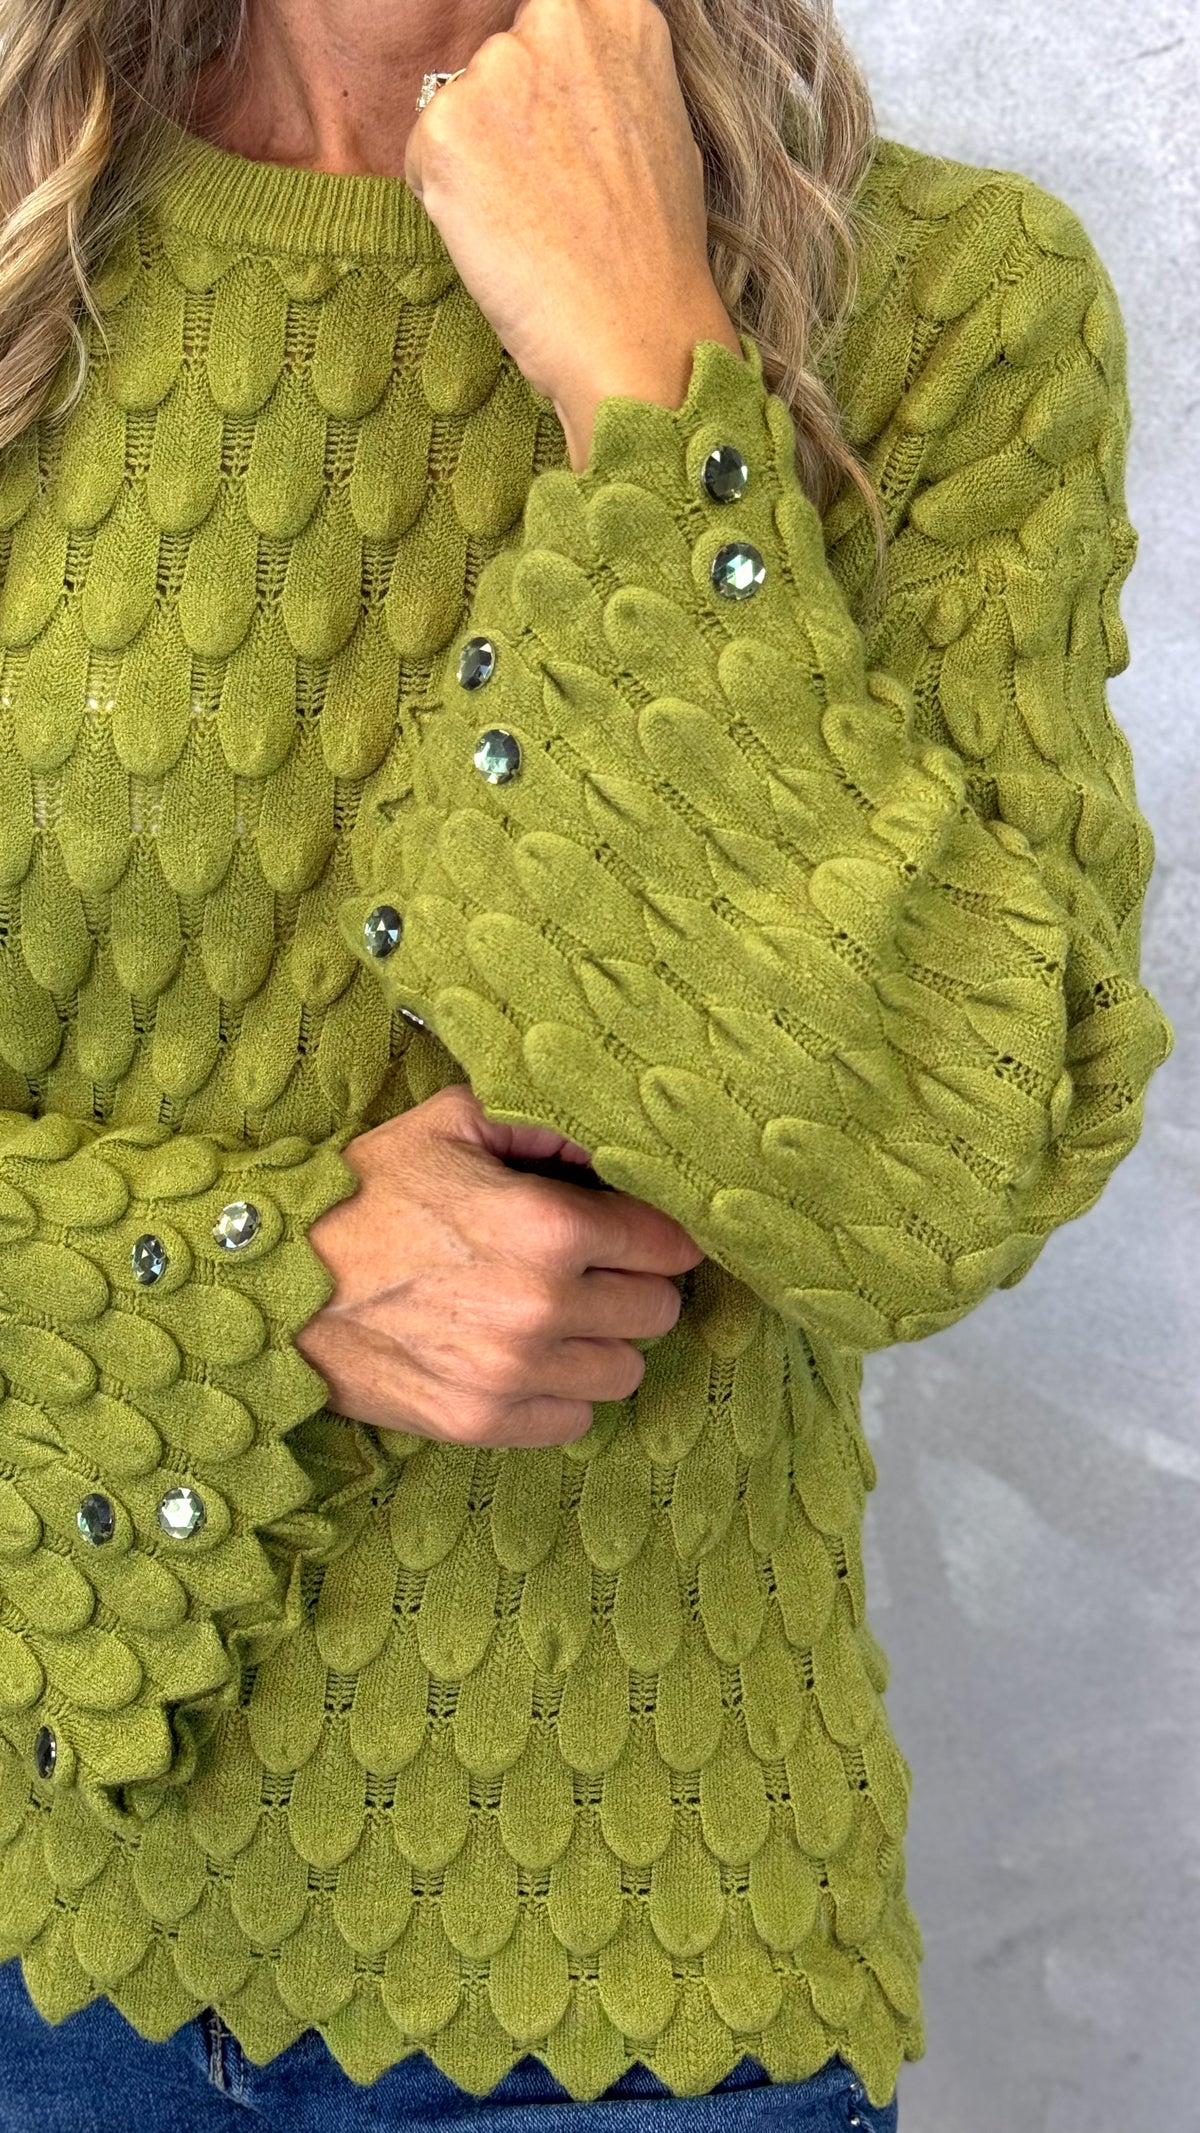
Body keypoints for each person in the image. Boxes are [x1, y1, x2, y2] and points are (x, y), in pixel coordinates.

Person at [0, 0, 1175, 2122]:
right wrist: (255, 1282)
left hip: (636, 1982)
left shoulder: (945, 307)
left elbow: (939, 1175)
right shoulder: (26, 259)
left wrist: (648, 379)